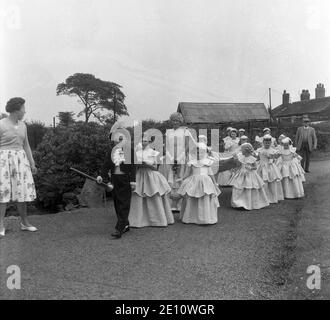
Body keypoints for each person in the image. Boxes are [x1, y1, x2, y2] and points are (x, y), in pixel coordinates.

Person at [0, 97, 38, 237]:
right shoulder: (1, 124)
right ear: (16, 110)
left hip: (21, 160)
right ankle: (0, 225)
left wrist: (32, 162)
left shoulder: (23, 125)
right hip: (4, 161)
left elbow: (26, 145)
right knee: (2, 192)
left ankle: (24, 222)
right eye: (23, 108)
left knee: (22, 191)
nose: (25, 111)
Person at [97, 131, 136, 239]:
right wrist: (102, 176)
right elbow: (106, 165)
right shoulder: (111, 151)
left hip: (125, 179)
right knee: (117, 202)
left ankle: (119, 229)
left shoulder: (130, 151)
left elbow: (133, 167)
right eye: (116, 139)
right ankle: (125, 224)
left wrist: (133, 181)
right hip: (114, 179)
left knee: (124, 203)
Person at [128, 135, 174, 228]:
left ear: (149, 142)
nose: (144, 142)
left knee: (153, 194)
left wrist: (147, 164)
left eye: (145, 141)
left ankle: (157, 219)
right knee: (138, 195)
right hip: (139, 174)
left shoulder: (154, 153)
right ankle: (138, 219)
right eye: (142, 141)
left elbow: (155, 166)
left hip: (150, 174)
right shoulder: (136, 153)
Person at [177, 142, 221, 224]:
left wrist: (215, 183)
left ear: (204, 152)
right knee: (192, 197)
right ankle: (191, 217)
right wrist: (182, 178)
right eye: (197, 151)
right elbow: (187, 173)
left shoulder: (208, 162)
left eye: (200, 151)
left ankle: (205, 218)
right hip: (193, 180)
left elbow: (210, 173)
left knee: (204, 197)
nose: (198, 153)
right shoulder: (192, 162)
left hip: (205, 181)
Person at [162, 112, 197, 212]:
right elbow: (166, 146)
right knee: (170, 178)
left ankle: (181, 205)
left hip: (181, 157)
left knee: (180, 178)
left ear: (180, 121)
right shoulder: (168, 132)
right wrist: (170, 157)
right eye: (173, 120)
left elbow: (187, 145)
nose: (175, 122)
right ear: (171, 121)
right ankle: (170, 204)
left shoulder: (185, 131)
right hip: (170, 157)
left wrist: (180, 156)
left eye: (177, 120)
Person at [229, 143, 269, 210]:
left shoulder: (252, 159)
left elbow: (255, 167)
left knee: (250, 187)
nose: (241, 151)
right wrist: (235, 169)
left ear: (246, 151)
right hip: (241, 174)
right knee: (239, 187)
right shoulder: (241, 157)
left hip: (250, 175)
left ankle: (250, 203)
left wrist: (250, 168)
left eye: (242, 150)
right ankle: (239, 203)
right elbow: (239, 165)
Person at [256, 135, 284, 204]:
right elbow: (258, 158)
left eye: (268, 142)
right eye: (265, 142)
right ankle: (263, 198)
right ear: (263, 142)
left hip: (270, 166)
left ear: (271, 143)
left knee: (272, 181)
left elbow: (275, 158)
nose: (267, 144)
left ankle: (273, 198)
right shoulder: (260, 150)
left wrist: (270, 157)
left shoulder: (273, 150)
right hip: (261, 166)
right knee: (263, 181)